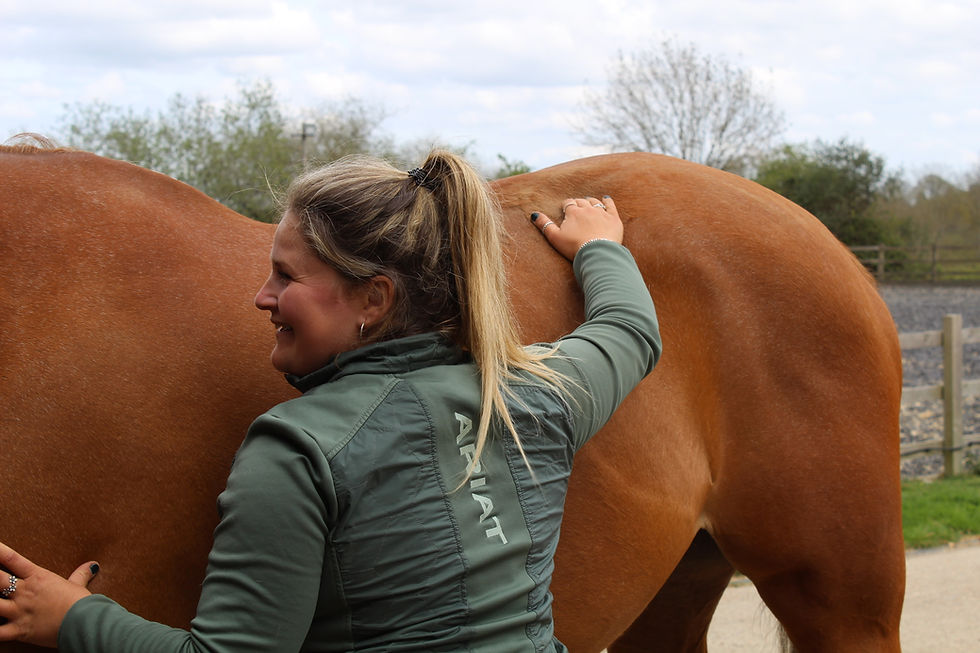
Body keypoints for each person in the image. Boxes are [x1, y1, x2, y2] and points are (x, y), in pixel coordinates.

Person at [0, 150, 660, 651]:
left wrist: (71, 618)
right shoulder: (540, 391)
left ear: (374, 300)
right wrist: (601, 250)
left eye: (285, 276)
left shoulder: (298, 448)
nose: (261, 296)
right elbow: (630, 331)